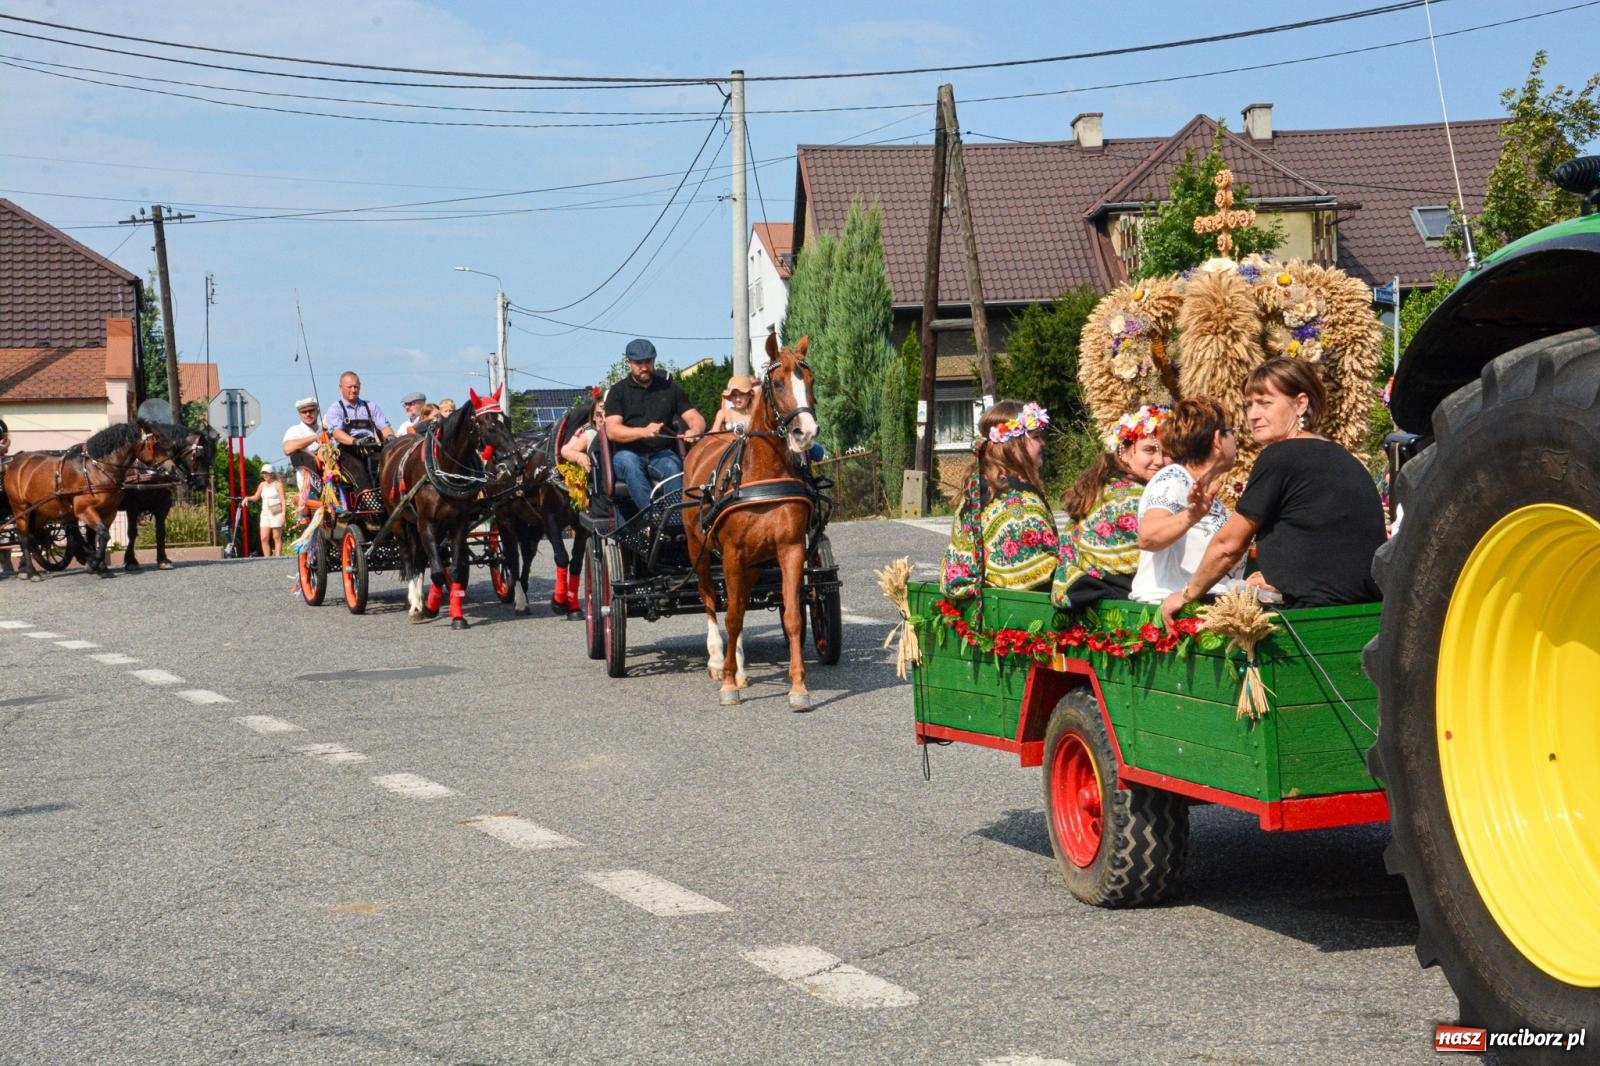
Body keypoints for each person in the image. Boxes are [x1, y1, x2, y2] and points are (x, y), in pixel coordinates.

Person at [1161, 358, 1385, 627]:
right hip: (1364, 612)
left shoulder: (1281, 456)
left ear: (1300, 403)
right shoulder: (1343, 457)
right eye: (1248, 405)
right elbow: (1325, 542)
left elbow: (1228, 546)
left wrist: (1186, 595)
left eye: (1265, 403)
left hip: (1307, 617)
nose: (1253, 414)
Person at [1051, 405, 1170, 608]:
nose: (1159, 460)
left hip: (1088, 597)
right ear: (1123, 452)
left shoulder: (1101, 486)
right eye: (1149, 450)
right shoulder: (1134, 497)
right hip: (1122, 602)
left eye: (1166, 451)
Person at [1131, 396, 1247, 605]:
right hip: (1166, 606)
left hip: (1194, 605)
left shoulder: (1201, 492)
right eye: (1232, 433)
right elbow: (1147, 537)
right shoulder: (1172, 479)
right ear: (1217, 440)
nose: (1236, 441)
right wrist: (1190, 517)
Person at [940, 401, 1059, 597]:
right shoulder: (1018, 498)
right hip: (1014, 611)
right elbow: (1038, 573)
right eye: (1036, 437)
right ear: (1014, 445)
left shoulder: (979, 487)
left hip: (979, 606)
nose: (1042, 443)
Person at [602, 338, 706, 518]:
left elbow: (695, 417)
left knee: (673, 466)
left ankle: (674, 522)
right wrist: (643, 432)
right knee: (630, 463)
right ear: (629, 363)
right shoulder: (618, 392)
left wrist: (695, 430)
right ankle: (652, 518)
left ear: (654, 360)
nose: (644, 366)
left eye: (648, 361)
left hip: (660, 454)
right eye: (638, 362)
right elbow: (612, 430)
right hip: (627, 454)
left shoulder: (669, 388)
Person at [281, 398, 322, 523]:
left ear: (317, 411)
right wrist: (313, 438)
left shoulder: (325, 428)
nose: (308, 414)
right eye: (304, 412)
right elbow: (287, 449)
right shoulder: (295, 431)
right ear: (299, 414)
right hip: (308, 488)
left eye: (311, 410)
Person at [326, 371, 394, 445]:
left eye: (356, 386)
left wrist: (390, 437)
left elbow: (385, 428)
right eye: (349, 387)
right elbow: (337, 433)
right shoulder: (335, 408)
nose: (353, 390)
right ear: (340, 388)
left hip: (371, 447)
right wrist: (356, 441)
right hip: (347, 449)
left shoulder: (371, 406)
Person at [558, 394, 605, 472]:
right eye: (599, 414)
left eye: (607, 414)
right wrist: (579, 456)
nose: (604, 418)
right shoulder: (587, 431)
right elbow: (565, 450)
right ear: (593, 416)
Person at [248, 466, 287, 557]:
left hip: (276, 509)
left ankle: (278, 558)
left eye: (267, 472)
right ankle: (267, 559)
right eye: (263, 473)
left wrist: (283, 514)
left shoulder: (278, 484)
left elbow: (283, 500)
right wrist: (247, 498)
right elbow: (256, 497)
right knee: (264, 538)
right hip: (265, 511)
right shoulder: (262, 485)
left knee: (276, 537)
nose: (265, 475)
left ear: (272, 473)